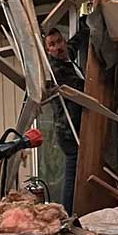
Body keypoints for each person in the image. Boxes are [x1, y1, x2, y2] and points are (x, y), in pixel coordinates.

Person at [44, 28, 83, 214]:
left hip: (76, 126)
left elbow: (74, 44)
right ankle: (67, 212)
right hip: (68, 130)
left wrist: (87, 24)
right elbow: (82, 88)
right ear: (47, 50)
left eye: (59, 41)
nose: (58, 47)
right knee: (72, 173)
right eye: (52, 45)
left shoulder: (67, 57)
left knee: (77, 170)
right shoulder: (56, 70)